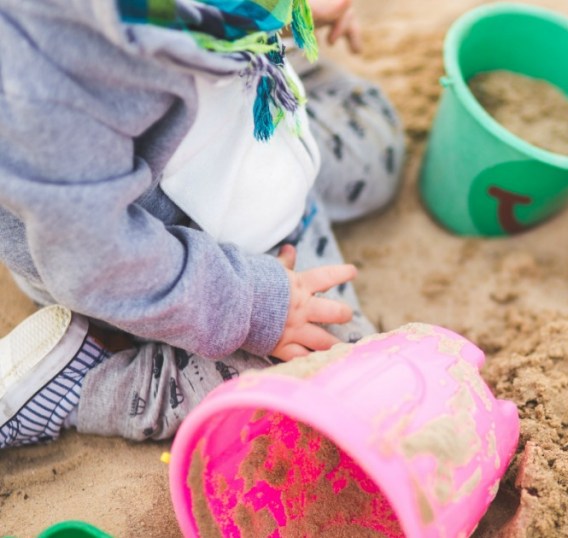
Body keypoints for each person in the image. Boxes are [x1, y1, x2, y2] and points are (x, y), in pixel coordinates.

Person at [0, 0, 404, 448]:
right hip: (172, 263)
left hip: (244, 137)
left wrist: (286, 15)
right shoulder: (49, 84)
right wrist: (255, 307)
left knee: (376, 147)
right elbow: (99, 263)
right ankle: (86, 382)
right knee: (338, 373)